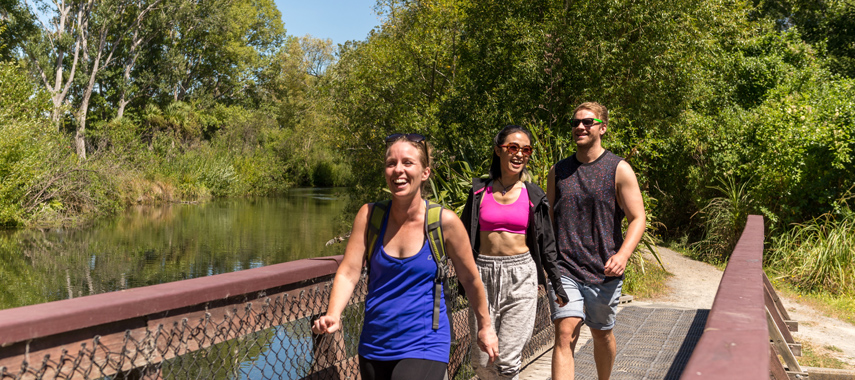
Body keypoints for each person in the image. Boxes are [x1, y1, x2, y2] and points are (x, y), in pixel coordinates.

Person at [312, 133, 498, 380]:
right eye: (391, 163)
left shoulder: (444, 222)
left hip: (425, 344)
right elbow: (349, 272)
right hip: (374, 344)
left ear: (425, 173)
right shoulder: (369, 216)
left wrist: (485, 327)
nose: (398, 170)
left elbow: (470, 279)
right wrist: (333, 314)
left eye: (408, 163)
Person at [460, 125, 569, 380]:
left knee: (507, 360)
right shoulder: (478, 192)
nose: (519, 154)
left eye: (526, 150)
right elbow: (462, 237)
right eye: (513, 147)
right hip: (482, 275)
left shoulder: (534, 195)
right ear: (499, 150)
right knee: (482, 360)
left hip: (521, 276)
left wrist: (556, 285)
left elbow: (547, 245)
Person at [547, 102, 646, 380]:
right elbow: (550, 222)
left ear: (602, 128)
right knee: (565, 333)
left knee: (601, 334)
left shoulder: (619, 169)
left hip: (604, 270)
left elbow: (638, 218)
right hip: (565, 268)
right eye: (575, 122)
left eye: (587, 122)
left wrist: (623, 255)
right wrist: (549, 261)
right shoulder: (558, 172)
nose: (580, 126)